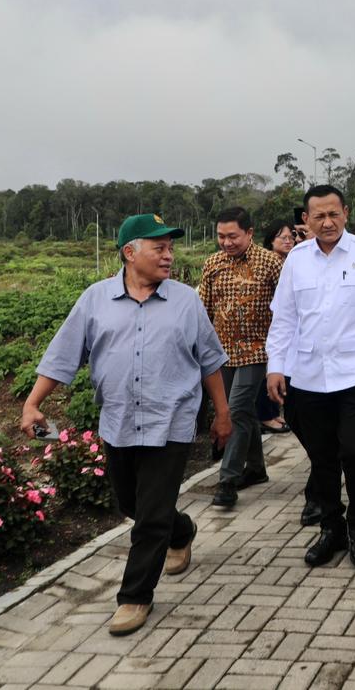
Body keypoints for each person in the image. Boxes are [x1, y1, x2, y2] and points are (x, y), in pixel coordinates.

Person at [20, 214, 232, 637]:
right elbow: (63, 355)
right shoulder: (95, 299)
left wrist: (223, 414)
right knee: (133, 504)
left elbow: (210, 360)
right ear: (130, 252)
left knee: (149, 516)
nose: (169, 256)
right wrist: (32, 403)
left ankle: (135, 597)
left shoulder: (186, 301)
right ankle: (182, 530)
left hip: (171, 421)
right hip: (118, 420)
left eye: (171, 248)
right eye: (159, 248)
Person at [265, 185, 355, 569]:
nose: (327, 222)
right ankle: (331, 526)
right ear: (305, 220)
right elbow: (284, 318)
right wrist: (276, 365)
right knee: (322, 456)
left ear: (346, 213)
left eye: (333, 214)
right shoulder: (297, 260)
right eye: (319, 216)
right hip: (309, 376)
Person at [198, 206, 283, 508]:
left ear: (249, 233)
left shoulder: (270, 262)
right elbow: (204, 308)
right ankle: (256, 468)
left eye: (232, 236)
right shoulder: (212, 264)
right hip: (221, 353)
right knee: (243, 411)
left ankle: (227, 480)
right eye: (221, 236)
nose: (226, 242)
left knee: (234, 410)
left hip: (257, 350)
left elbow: (286, 308)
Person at [256, 219, 296, 433]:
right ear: (271, 240)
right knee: (270, 369)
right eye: (283, 237)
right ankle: (267, 416)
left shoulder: (291, 260)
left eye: (291, 237)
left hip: (285, 326)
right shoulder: (271, 261)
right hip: (269, 325)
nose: (288, 241)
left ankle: (272, 413)